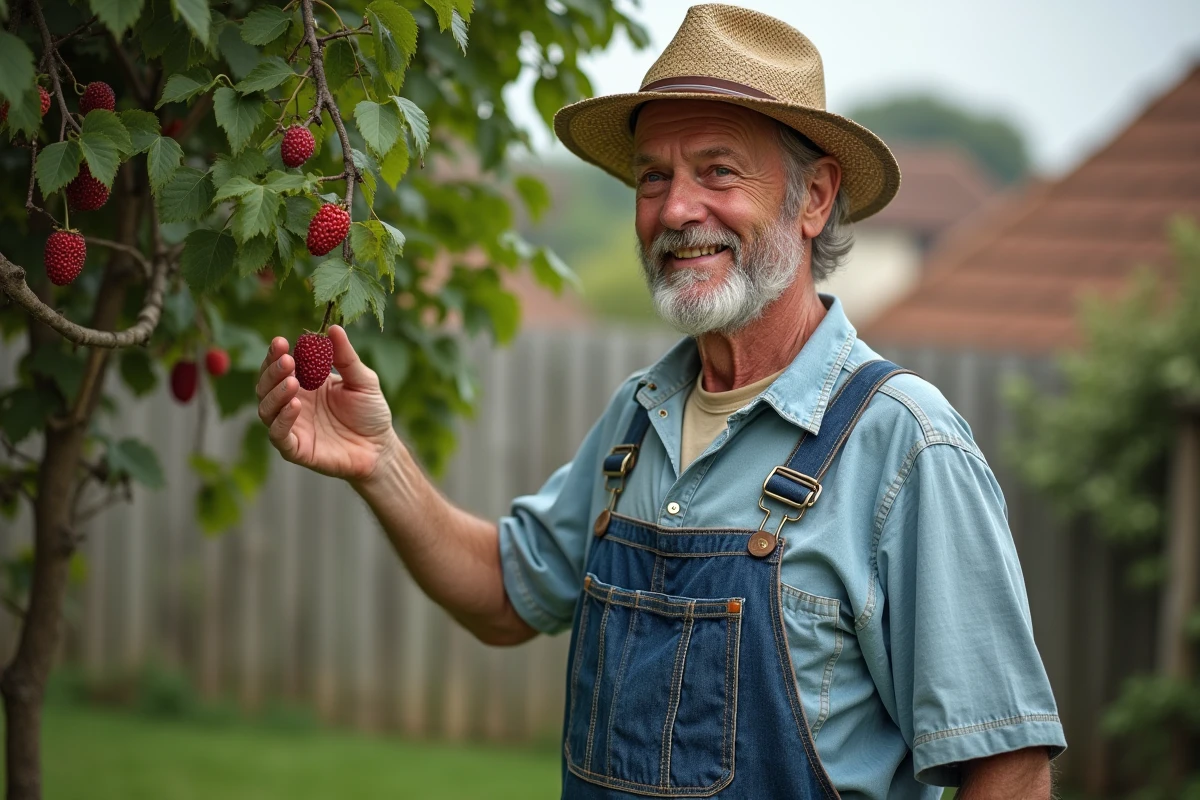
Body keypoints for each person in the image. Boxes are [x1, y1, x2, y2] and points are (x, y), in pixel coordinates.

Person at [255, 4, 1066, 798]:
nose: (676, 210)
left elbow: (1011, 767)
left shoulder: (905, 446)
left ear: (815, 197)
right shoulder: (640, 419)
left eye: (718, 171)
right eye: (654, 176)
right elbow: (508, 595)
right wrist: (381, 462)